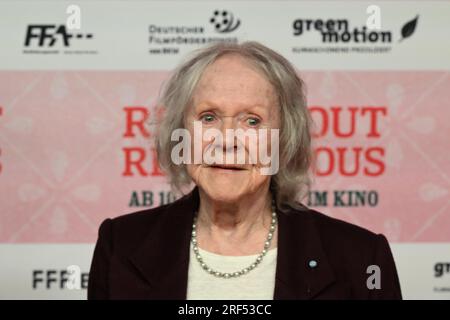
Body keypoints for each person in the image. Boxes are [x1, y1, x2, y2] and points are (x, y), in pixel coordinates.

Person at [87, 41, 402, 300]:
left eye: (252, 120)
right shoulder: (120, 245)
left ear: (285, 138)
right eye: (208, 117)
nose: (227, 140)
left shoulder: (362, 259)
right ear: (180, 132)